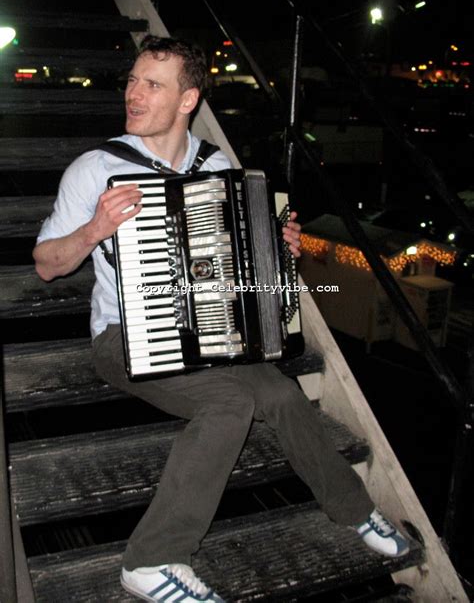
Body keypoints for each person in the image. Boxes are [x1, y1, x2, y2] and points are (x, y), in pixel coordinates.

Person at [33, 36, 409, 603]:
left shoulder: (218, 164)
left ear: (188, 100)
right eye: (132, 80)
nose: (134, 93)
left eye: (152, 84)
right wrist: (93, 232)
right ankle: (151, 559)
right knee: (230, 402)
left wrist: (276, 244)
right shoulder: (97, 169)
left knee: (280, 395)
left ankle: (355, 510)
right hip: (123, 338)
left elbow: (234, 266)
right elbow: (44, 265)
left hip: (212, 331)